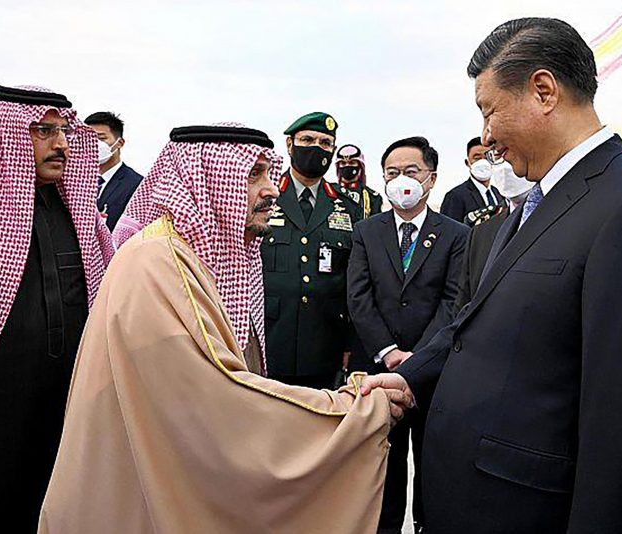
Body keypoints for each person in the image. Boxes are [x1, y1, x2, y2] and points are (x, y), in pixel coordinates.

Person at [362, 17, 622, 533]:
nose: (486, 136)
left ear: (543, 91)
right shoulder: (532, 206)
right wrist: (407, 379)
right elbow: (471, 324)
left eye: (489, 110)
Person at [40, 124, 399, 534]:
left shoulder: (206, 257)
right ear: (207, 181)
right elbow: (218, 401)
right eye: (254, 175)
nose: (270, 190)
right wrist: (356, 411)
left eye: (268, 173)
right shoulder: (154, 266)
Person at [0, 84, 113, 533]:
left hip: (63, 401)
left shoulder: (77, 212)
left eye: (63, 131)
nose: (61, 143)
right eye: (45, 131)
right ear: (11, 135)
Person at [347, 136, 468, 534]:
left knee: (434, 463)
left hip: (433, 373)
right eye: (393, 173)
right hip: (379, 370)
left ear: (431, 179)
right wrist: (388, 351)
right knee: (385, 463)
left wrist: (418, 360)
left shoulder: (455, 234)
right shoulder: (366, 231)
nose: (403, 181)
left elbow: (453, 301)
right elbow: (359, 296)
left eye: (411, 172)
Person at [261, 112, 362, 388]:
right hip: (270, 339)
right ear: (289, 145)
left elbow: (355, 280)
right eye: (307, 139)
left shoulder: (347, 206)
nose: (317, 147)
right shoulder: (264, 196)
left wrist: (350, 343)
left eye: (326, 142)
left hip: (325, 342)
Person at [454, 158, 531, 313]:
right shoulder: (480, 232)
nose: (505, 166)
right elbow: (463, 304)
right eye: (497, 155)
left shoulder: (569, 218)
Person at [84, 111, 144, 230]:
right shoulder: (79, 181)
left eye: (101, 138)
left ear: (119, 143)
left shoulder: (136, 185)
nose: (94, 144)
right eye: (89, 139)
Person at [440, 136, 504, 225]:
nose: (483, 162)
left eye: (487, 157)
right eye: (477, 158)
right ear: (467, 163)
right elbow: (449, 231)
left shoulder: (498, 193)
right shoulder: (455, 196)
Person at [335, 143, 383, 219]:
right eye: (343, 163)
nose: (347, 166)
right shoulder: (328, 192)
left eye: (352, 162)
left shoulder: (372, 198)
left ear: (360, 166)